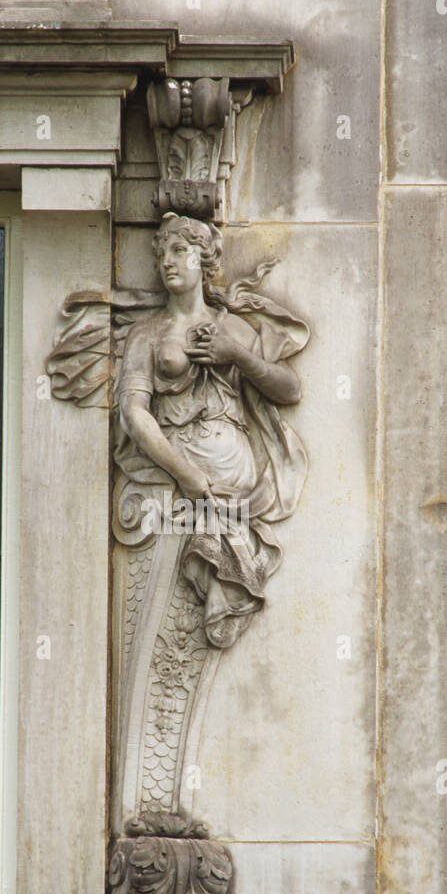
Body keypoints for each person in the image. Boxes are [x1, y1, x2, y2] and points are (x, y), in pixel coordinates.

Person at [115, 211, 308, 648]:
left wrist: (236, 354)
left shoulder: (234, 328)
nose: (167, 261)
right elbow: (134, 413)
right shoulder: (147, 333)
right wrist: (188, 476)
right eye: (161, 252)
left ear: (203, 260)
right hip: (183, 477)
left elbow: (290, 389)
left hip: (236, 480)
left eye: (179, 250)